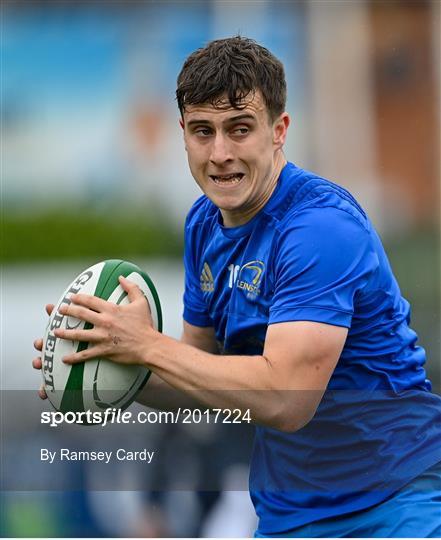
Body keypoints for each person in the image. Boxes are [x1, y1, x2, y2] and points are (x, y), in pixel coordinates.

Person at [33, 36, 441, 537]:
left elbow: (287, 401)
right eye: (203, 131)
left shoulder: (319, 228)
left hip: (396, 504)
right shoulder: (203, 226)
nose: (220, 153)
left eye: (239, 129)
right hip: (292, 514)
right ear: (183, 133)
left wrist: (148, 346)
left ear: (278, 131)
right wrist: (111, 365)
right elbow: (202, 385)